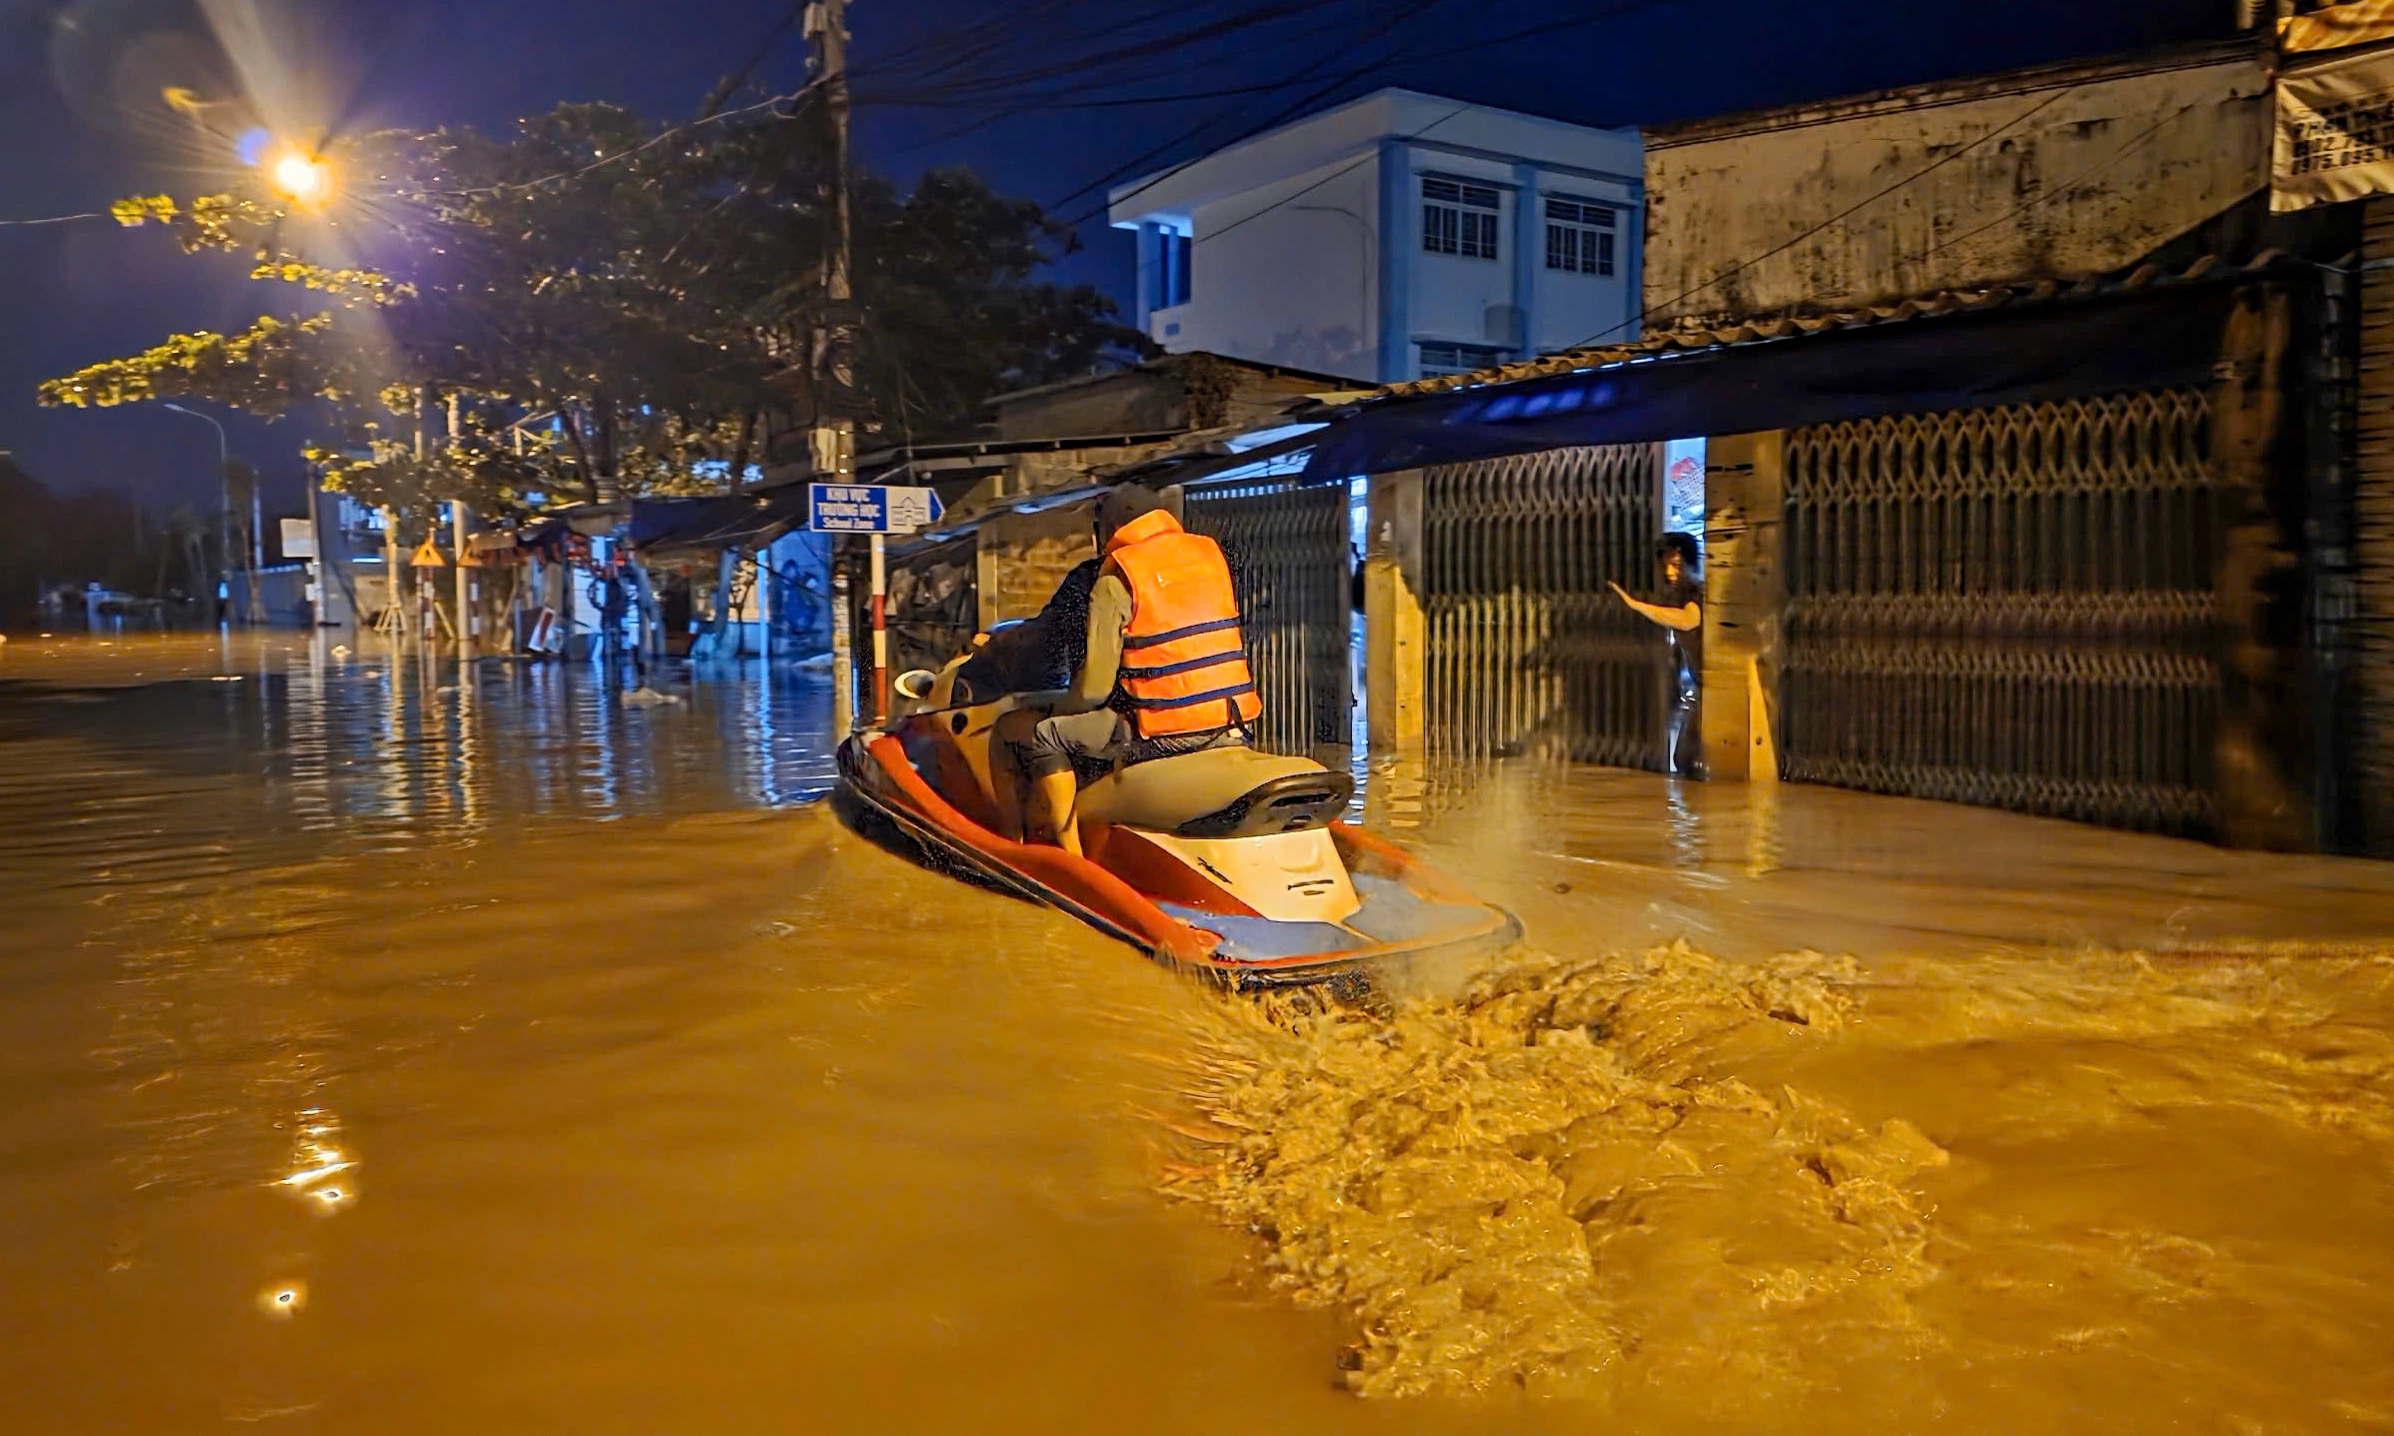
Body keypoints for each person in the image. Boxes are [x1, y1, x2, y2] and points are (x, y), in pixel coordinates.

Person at [995, 486, 1259, 855]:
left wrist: (1061, 710)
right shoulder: (1208, 557)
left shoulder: (1118, 577)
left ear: (1107, 531)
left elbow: (1094, 690)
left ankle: (1069, 859)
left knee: (1046, 736)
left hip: (1164, 732)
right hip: (1232, 721)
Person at [1609, 533, 1702, 776]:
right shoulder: (1675, 595)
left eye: (1677, 565)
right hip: (1701, 687)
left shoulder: (1695, 592)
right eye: (1666, 565)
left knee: (1686, 758)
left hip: (1713, 688)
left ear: (1690, 563)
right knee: (1683, 759)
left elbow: (1689, 620)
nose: (1670, 572)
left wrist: (1638, 606)